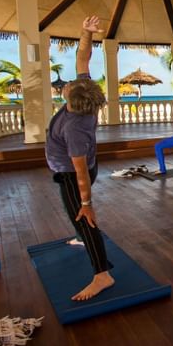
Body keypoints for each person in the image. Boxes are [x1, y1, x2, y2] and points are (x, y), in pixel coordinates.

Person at [45, 15, 113, 301]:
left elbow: (81, 172)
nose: (66, 85)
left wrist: (87, 204)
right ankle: (80, 234)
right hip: (78, 168)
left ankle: (102, 274)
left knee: (84, 218)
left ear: (72, 101)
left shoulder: (74, 128)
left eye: (68, 87)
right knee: (75, 213)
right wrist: (86, 32)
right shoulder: (85, 95)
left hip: (74, 174)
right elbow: (82, 58)